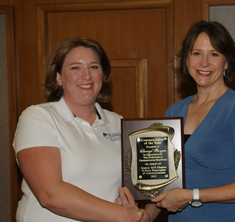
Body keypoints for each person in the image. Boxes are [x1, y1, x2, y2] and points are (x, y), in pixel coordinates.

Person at [13, 37, 150, 222]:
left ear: (103, 74)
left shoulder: (120, 123)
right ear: (59, 77)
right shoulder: (38, 117)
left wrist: (143, 214)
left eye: (94, 67)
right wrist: (123, 215)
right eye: (75, 67)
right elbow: (50, 194)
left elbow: (146, 183)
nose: (87, 76)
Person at [147, 21, 235, 221]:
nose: (204, 62)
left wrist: (192, 195)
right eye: (196, 53)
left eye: (214, 54)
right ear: (186, 60)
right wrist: (145, 214)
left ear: (227, 62)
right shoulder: (173, 111)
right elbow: (165, 182)